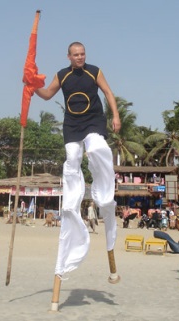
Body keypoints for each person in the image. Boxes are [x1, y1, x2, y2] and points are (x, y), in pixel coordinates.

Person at [35, 41, 121, 279]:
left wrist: (115, 115)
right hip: (72, 124)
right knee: (72, 157)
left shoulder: (95, 71)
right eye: (76, 55)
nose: (80, 57)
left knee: (96, 149)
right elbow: (46, 95)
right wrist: (32, 85)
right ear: (68, 56)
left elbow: (108, 92)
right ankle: (72, 201)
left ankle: (103, 192)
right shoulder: (62, 76)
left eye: (82, 54)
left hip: (94, 121)